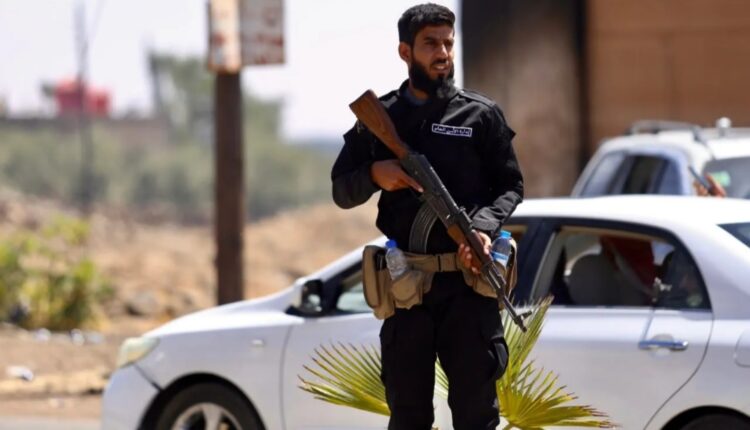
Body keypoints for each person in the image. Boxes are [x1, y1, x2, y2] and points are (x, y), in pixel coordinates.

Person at [330, 4, 523, 429]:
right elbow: (341, 189)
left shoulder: (480, 115)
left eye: (448, 43)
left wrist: (482, 228)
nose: (443, 53)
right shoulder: (382, 118)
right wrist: (375, 174)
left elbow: (511, 186)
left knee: (477, 415)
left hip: (468, 287)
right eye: (431, 43)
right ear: (405, 51)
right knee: (409, 416)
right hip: (407, 288)